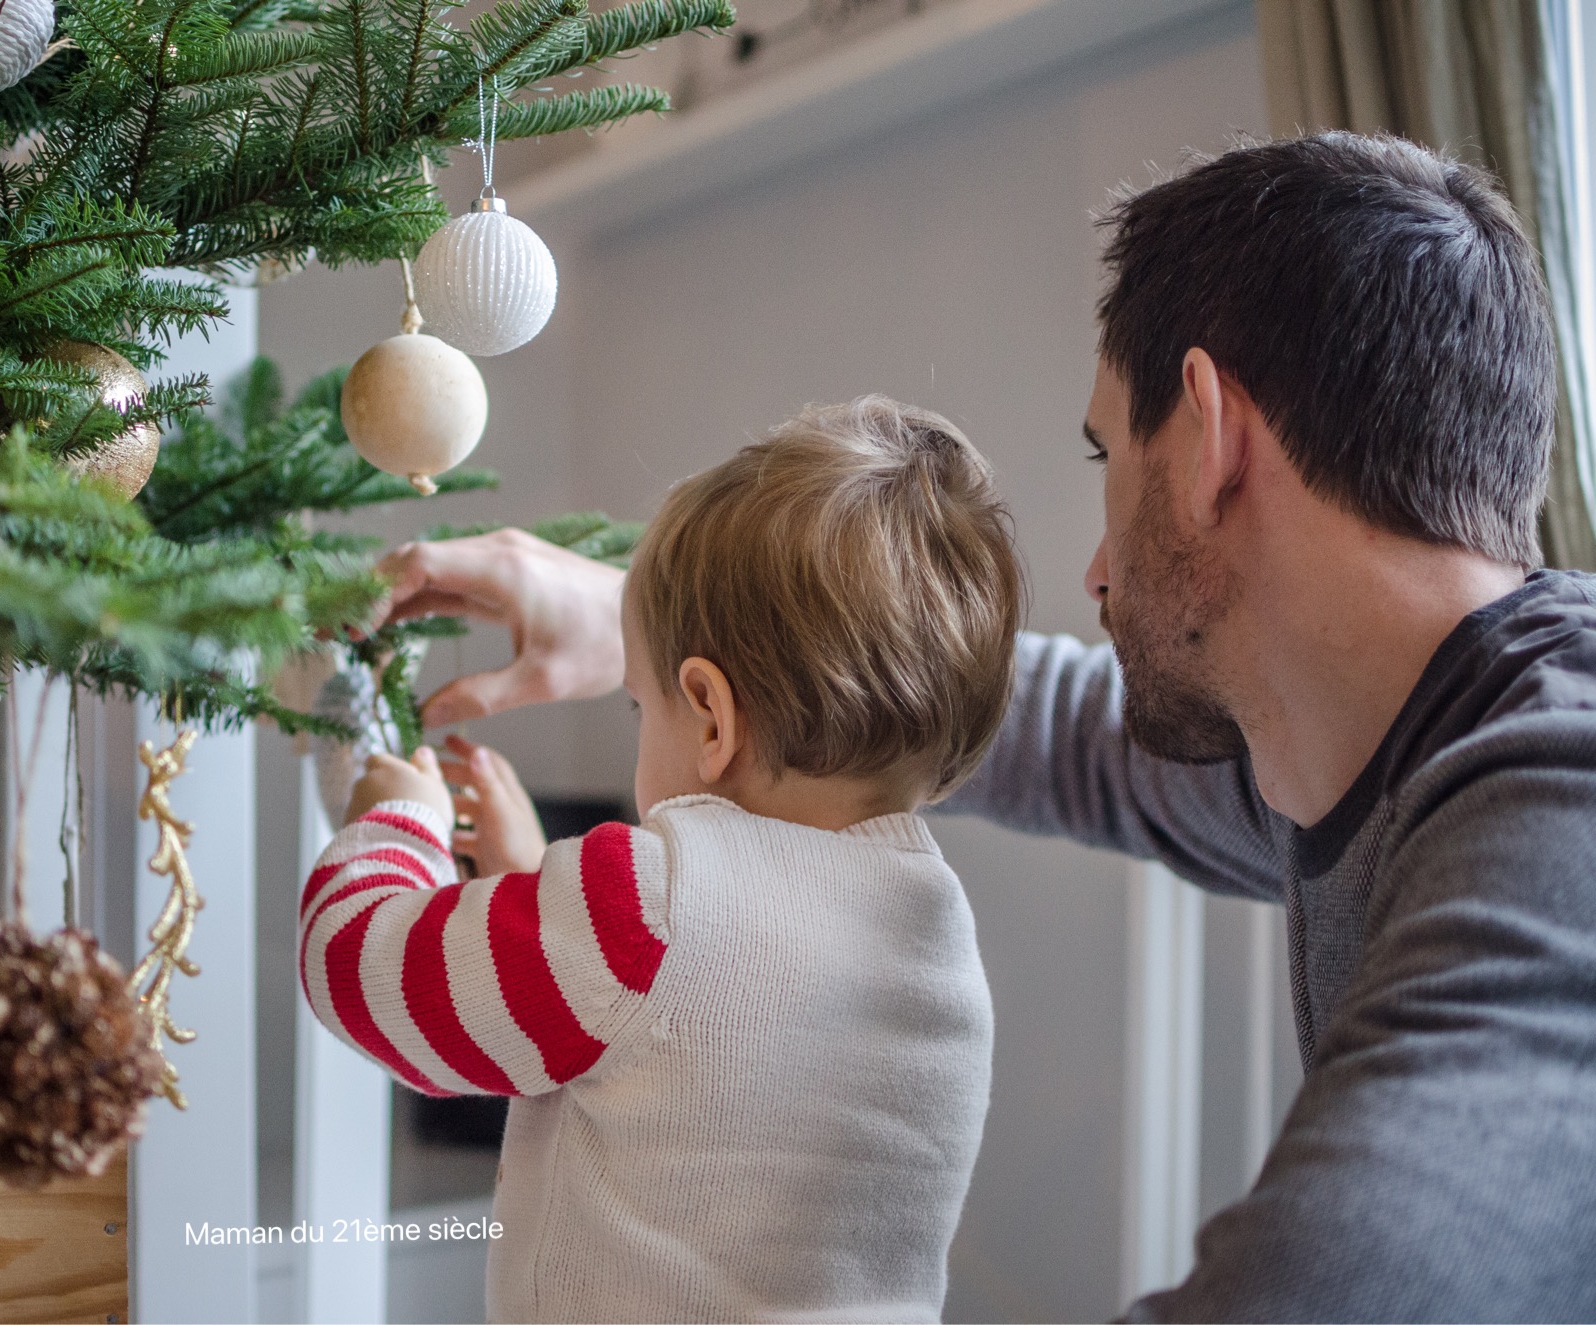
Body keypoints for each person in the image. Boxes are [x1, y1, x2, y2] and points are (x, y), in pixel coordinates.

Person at [372, 131, 1596, 1321]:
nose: (1097, 569)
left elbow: (1351, 1277)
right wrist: (660, 617)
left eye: (1106, 452)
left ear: (1209, 439)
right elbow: (1057, 727)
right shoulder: (1359, 742)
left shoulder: (1554, 807)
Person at [301, 399, 1019, 1322]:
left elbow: (364, 972)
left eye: (640, 706)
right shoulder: (937, 940)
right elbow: (676, 1050)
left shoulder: (643, 912)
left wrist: (395, 822)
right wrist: (530, 878)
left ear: (711, 716)